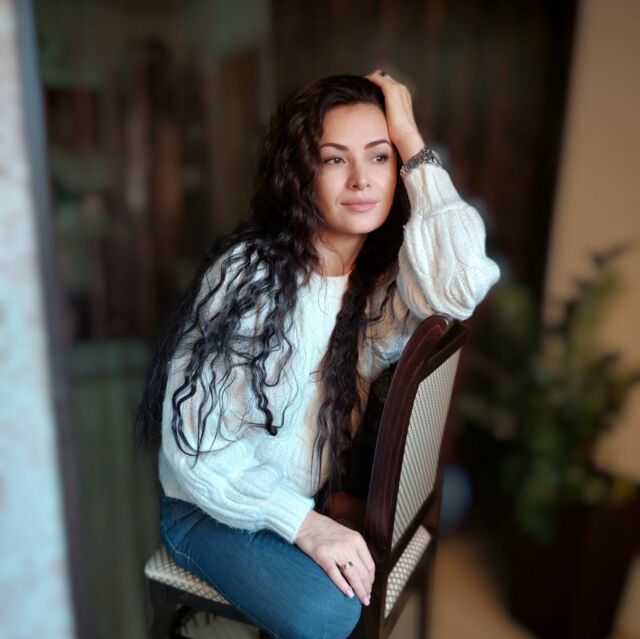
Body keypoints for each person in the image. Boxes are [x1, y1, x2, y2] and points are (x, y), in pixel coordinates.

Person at [136, 70, 500, 639]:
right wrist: (304, 524)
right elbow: (195, 452)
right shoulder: (249, 279)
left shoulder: (377, 287)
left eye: (379, 157)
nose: (361, 179)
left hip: (296, 496)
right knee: (329, 612)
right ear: (300, 173)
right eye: (334, 159)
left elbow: (464, 283)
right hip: (206, 508)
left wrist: (410, 138)